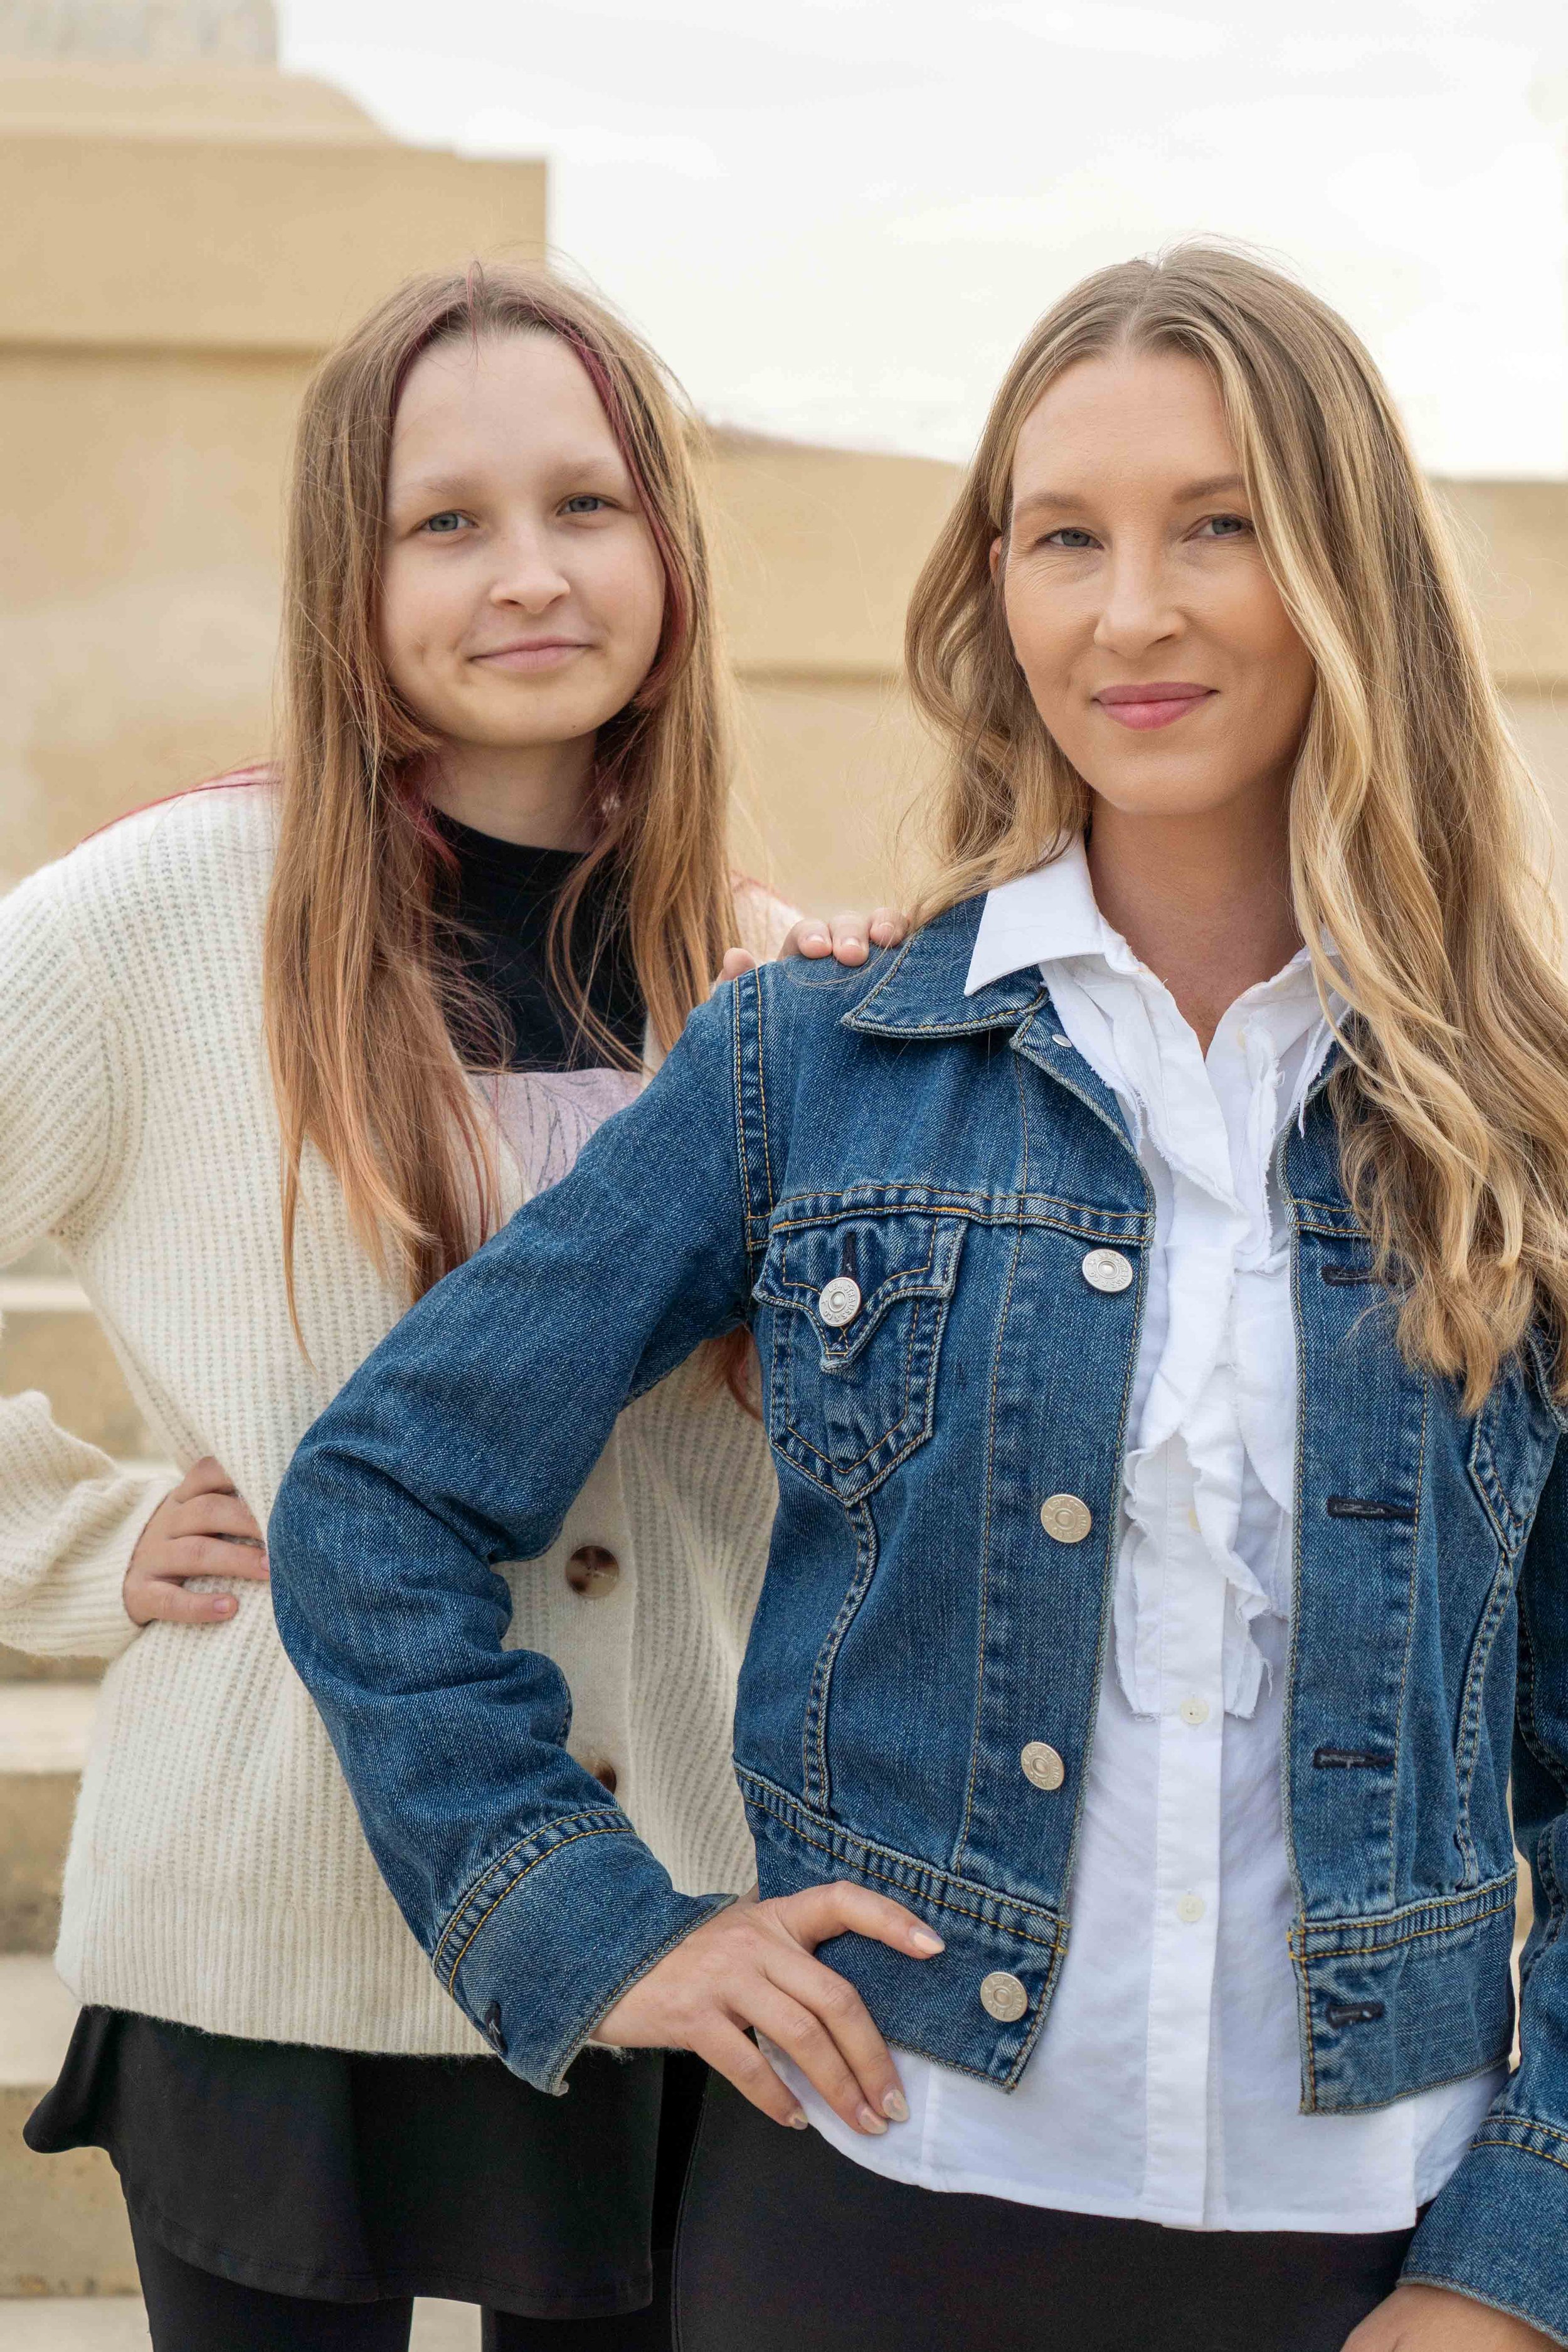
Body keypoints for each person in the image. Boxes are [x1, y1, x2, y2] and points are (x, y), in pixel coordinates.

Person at [268, 243, 1568, 2352]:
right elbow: (375, 1504)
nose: (1127, 611)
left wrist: (1516, 2276)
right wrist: (594, 1933)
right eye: (1063, 537)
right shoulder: (817, 1063)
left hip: (1372, 2252)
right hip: (866, 2207)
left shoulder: (1518, 1118)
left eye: (1215, 527)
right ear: (997, 595)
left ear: (1344, 571)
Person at [3, 262, 900, 2351]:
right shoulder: (160, 921)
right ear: (352, 568)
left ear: (669, 545)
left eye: (586, 507)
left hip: (668, 1921)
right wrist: (69, 1539)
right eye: (446, 522)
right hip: (266, 1925)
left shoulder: (771, 985)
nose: (529, 577)